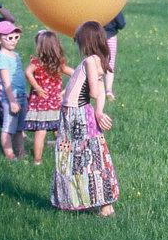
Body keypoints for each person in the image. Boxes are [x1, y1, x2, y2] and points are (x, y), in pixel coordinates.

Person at [51, 21, 119, 217]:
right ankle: (93, 201)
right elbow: (100, 90)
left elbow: (97, 91)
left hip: (76, 116)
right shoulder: (98, 59)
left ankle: (104, 204)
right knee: (89, 157)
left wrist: (97, 111)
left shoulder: (91, 60)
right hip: (77, 114)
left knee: (81, 158)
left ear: (86, 41)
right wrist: (98, 111)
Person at [24, 29, 73, 165]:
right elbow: (75, 75)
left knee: (41, 132)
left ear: (40, 47)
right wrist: (63, 93)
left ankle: (37, 161)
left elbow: (27, 72)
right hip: (55, 104)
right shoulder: (59, 65)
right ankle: (67, 156)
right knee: (60, 132)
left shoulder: (37, 64)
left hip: (41, 105)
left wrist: (37, 88)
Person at [0, 20, 28, 160]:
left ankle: (21, 152)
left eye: (16, 37)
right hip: (11, 97)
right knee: (8, 128)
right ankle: (9, 155)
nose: (13, 41)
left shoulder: (15, 55)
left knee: (19, 128)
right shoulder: (2, 57)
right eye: (9, 38)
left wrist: (24, 92)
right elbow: (6, 81)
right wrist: (11, 101)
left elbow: (19, 75)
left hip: (21, 95)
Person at [103, 10, 126, 99]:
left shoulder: (95, 4)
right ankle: (108, 90)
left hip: (96, 38)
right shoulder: (114, 6)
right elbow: (121, 24)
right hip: (111, 38)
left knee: (95, 64)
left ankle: (96, 88)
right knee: (110, 65)